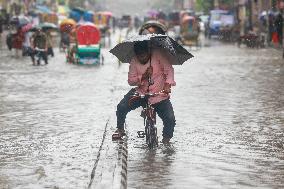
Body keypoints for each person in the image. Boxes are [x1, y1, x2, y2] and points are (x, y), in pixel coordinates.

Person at [114, 40, 176, 144]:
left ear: (149, 52)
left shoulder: (158, 54)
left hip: (159, 94)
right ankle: (120, 129)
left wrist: (167, 85)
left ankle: (166, 140)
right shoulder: (134, 61)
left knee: (170, 119)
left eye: (144, 55)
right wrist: (143, 77)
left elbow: (169, 70)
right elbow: (131, 81)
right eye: (139, 56)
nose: (141, 58)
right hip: (140, 93)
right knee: (121, 107)